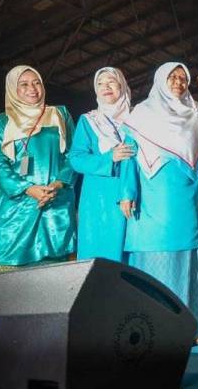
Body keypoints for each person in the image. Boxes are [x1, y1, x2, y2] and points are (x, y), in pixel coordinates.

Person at [119, 62, 198, 345]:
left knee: (195, 260)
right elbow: (129, 155)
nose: (178, 82)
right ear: (160, 81)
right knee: (157, 256)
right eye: (172, 77)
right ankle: (159, 325)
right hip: (154, 195)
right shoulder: (140, 114)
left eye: (182, 78)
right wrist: (127, 193)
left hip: (192, 196)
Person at [0, 65, 76, 270]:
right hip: (18, 206)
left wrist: (59, 183)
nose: (32, 88)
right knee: (13, 277)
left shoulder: (59, 114)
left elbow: (73, 155)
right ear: (12, 89)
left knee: (56, 277)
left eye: (36, 82)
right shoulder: (3, 121)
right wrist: (27, 188)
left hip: (56, 202)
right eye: (24, 84)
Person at [69, 67, 133, 262]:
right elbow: (76, 158)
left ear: (122, 85)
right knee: (102, 256)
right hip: (99, 199)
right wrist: (108, 158)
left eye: (111, 81)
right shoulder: (89, 121)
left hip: (134, 192)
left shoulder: (138, 118)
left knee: (132, 256)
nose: (106, 87)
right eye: (100, 83)